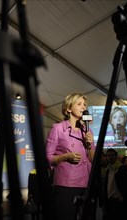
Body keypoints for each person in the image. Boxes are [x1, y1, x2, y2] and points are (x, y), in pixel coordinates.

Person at [45, 92, 96, 220]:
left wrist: (89, 145)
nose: (83, 107)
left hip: (86, 185)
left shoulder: (88, 131)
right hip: (66, 185)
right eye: (79, 104)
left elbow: (93, 160)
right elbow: (48, 158)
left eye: (84, 104)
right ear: (68, 108)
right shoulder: (58, 128)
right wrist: (66, 157)